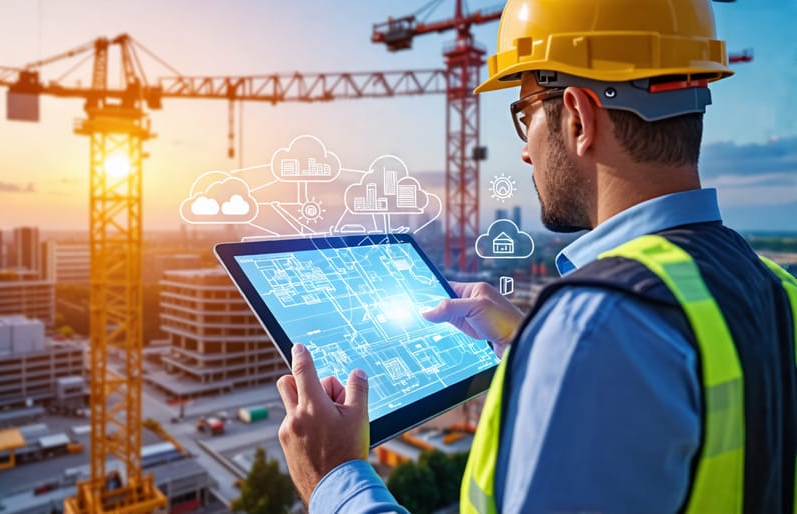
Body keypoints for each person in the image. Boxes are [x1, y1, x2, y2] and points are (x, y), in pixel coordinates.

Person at [276, 0, 797, 512]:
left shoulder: (598, 328)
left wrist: (335, 480)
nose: (525, 150)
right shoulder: (776, 289)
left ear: (578, 118)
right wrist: (527, 344)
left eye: (524, 116)